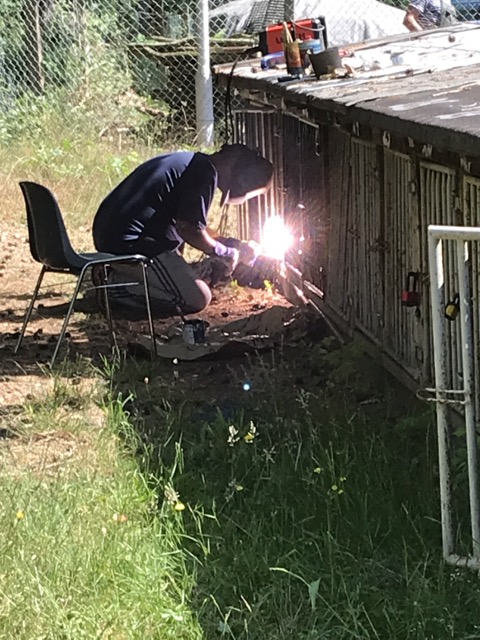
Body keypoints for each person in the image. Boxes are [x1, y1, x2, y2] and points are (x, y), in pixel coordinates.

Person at [92, 144, 273, 316]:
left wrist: (233, 244)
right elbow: (189, 230)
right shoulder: (204, 172)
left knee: (187, 276)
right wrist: (226, 253)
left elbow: (192, 224)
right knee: (198, 298)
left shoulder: (191, 163)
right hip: (129, 243)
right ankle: (112, 287)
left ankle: (117, 272)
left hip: (114, 235)